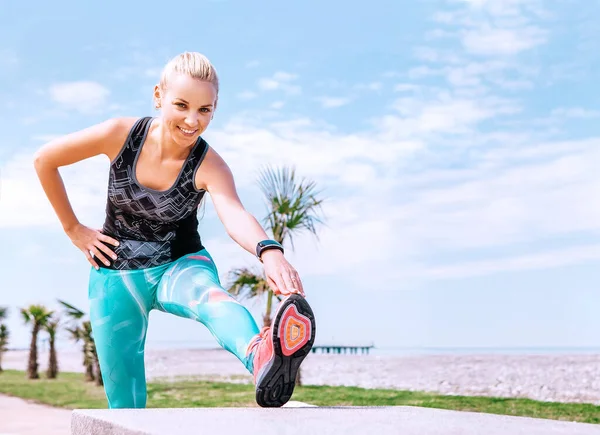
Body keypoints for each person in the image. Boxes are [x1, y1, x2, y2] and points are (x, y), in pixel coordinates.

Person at [33, 51, 316, 409]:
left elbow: (234, 212)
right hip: (115, 276)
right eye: (181, 105)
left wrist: (269, 251)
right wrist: (73, 228)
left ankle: (262, 357)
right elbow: (45, 160)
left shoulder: (210, 164)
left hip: (179, 265)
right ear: (158, 96)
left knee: (211, 300)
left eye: (204, 110)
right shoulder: (120, 135)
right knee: (123, 398)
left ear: (214, 109)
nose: (192, 120)